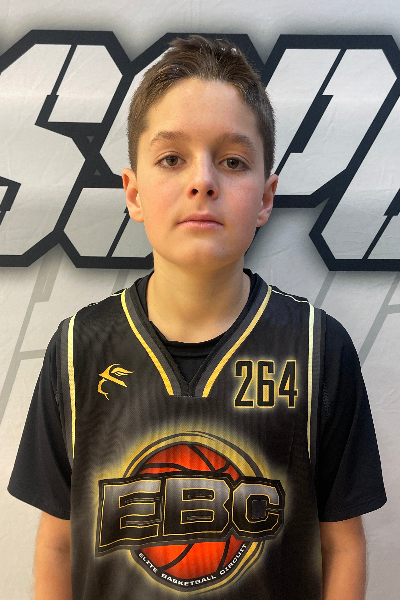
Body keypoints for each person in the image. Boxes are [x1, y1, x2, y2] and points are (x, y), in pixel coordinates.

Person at [8, 35, 386, 600]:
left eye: (233, 161)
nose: (202, 180)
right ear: (133, 193)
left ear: (266, 197)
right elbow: (58, 545)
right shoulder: (78, 349)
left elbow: (343, 547)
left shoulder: (317, 347)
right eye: (171, 158)